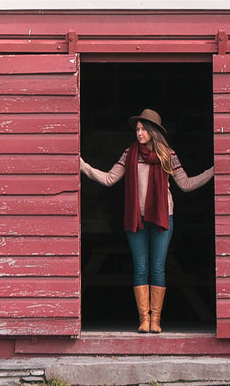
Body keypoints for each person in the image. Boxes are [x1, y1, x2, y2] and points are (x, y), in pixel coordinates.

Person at [80, 108, 214, 333]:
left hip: (163, 217)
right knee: (141, 268)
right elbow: (110, 178)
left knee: (158, 268)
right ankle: (144, 319)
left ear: (153, 131)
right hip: (137, 219)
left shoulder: (167, 155)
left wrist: (213, 171)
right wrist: (83, 166)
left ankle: (156, 320)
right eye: (137, 129)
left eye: (143, 129)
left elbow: (186, 184)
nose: (139, 133)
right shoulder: (129, 153)